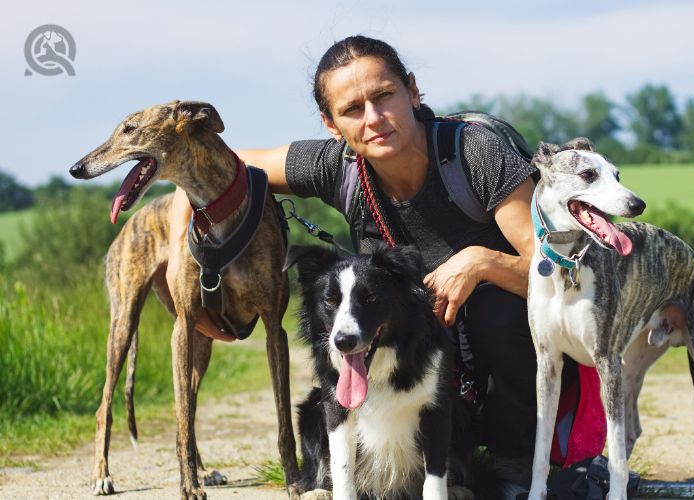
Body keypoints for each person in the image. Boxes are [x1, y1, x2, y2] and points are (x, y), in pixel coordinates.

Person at [167, 35, 539, 497]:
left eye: (384, 96)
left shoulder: (473, 154)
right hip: (404, 356)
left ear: (413, 92)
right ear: (331, 123)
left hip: (487, 352)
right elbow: (219, 164)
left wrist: (481, 261)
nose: (374, 119)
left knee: (497, 315)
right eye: (352, 109)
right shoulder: (337, 167)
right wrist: (181, 261)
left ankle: (515, 463)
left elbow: (554, 273)